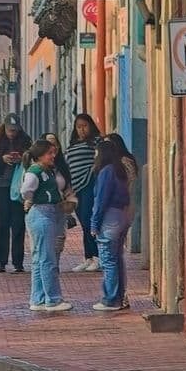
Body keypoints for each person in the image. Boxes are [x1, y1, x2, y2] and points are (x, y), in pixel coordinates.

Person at [20, 138, 73, 313]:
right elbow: (26, 191)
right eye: (49, 153)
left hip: (49, 213)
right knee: (47, 258)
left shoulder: (47, 170)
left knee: (39, 259)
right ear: (40, 155)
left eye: (53, 152)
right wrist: (31, 200)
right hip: (42, 214)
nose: (53, 156)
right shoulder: (34, 172)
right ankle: (53, 299)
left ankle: (38, 298)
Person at [89, 132, 135, 312]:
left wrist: (94, 223)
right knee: (117, 259)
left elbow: (101, 200)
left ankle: (110, 299)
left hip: (110, 218)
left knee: (108, 259)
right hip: (121, 216)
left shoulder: (106, 172)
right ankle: (119, 295)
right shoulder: (120, 170)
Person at [0, 114, 31, 272]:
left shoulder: (26, 142)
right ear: (4, 128)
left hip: (18, 188)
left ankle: (18, 262)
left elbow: (33, 161)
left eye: (15, 131)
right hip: (1, 187)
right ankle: (0, 262)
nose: (12, 133)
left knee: (18, 225)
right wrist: (2, 159)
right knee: (2, 225)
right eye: (10, 130)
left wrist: (22, 158)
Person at [64, 112, 102, 272]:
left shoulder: (96, 142)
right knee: (83, 223)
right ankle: (88, 257)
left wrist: (93, 169)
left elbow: (100, 159)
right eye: (78, 127)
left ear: (91, 126)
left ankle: (97, 256)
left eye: (85, 126)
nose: (82, 130)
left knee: (89, 220)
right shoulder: (72, 145)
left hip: (89, 184)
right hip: (76, 187)